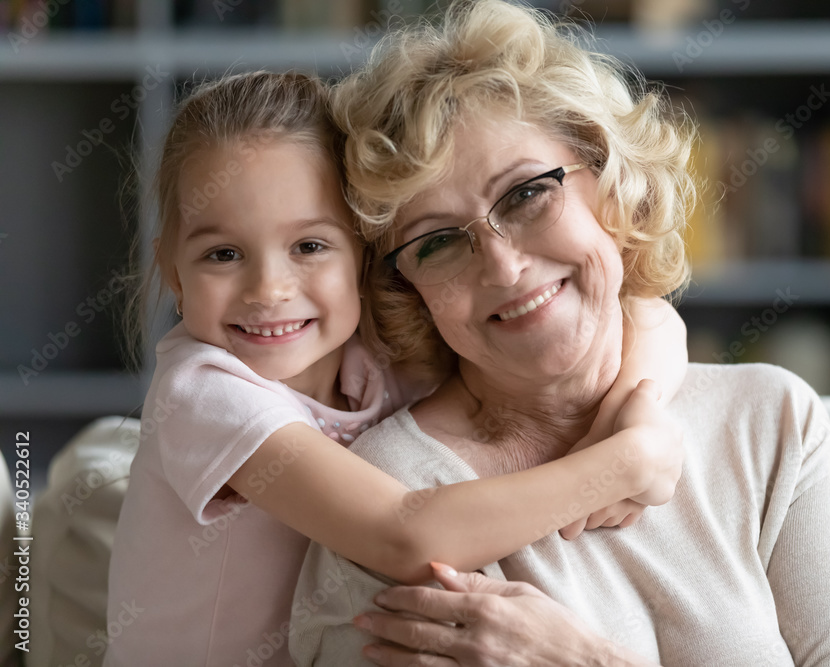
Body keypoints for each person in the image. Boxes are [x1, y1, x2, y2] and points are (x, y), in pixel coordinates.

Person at [289, 1, 830, 664]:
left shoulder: (772, 423)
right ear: (405, 288)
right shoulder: (383, 499)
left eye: (526, 194)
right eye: (438, 242)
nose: (504, 264)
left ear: (609, 181)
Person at [104, 71, 688, 666]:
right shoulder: (203, 394)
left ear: (363, 255)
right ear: (173, 270)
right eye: (222, 254)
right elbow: (402, 537)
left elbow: (647, 316)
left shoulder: (372, 351)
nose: (269, 289)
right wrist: (626, 462)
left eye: (309, 246)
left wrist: (641, 409)